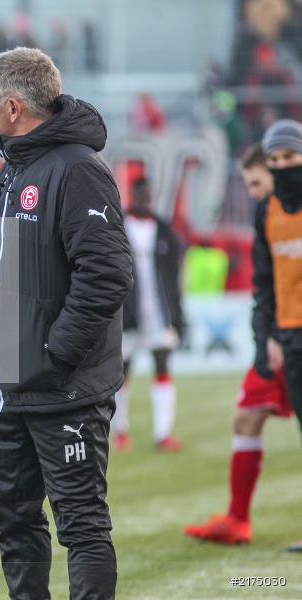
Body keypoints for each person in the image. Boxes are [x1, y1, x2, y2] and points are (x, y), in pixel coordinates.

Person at [0, 47, 133, 599]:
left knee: (81, 525)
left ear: (13, 107)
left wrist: (54, 353)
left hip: (63, 390)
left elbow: (107, 273)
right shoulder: (8, 173)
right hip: (9, 392)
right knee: (14, 526)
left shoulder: (78, 169)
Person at [186, 125, 302, 552]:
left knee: (248, 417)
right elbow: (266, 285)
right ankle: (237, 518)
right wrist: (264, 339)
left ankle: (238, 517)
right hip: (282, 338)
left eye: (257, 183)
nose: (253, 191)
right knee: (247, 416)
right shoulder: (267, 214)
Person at [114, 177, 186, 452]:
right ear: (132, 196)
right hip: (126, 314)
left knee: (163, 364)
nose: (144, 200)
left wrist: (178, 315)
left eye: (147, 195)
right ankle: (120, 431)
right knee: (121, 372)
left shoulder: (165, 232)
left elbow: (175, 277)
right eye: (140, 195)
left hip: (159, 313)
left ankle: (163, 433)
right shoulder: (118, 227)